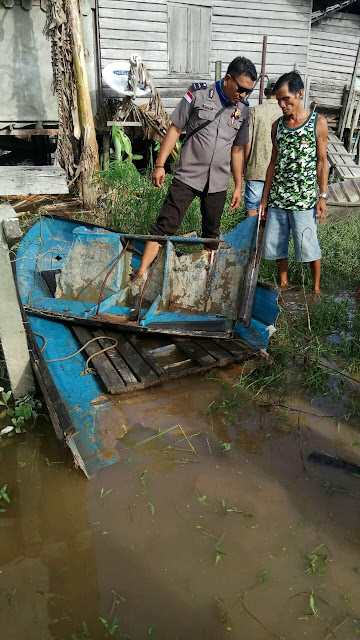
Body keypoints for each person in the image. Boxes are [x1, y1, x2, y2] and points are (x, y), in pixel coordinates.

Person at [132, 56, 257, 281]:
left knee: (212, 236)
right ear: (228, 79)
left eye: (249, 91)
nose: (243, 95)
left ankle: (206, 283)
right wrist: (160, 165)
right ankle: (140, 273)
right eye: (241, 89)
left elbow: (237, 151)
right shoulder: (198, 94)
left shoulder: (243, 111)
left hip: (218, 182)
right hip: (188, 176)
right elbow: (175, 128)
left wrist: (239, 185)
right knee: (164, 226)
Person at [259, 71, 328, 294]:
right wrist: (265, 199)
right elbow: (272, 163)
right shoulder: (277, 126)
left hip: (304, 200)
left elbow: (322, 162)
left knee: (308, 245)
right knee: (278, 245)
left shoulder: (317, 123)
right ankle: (284, 283)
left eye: (285, 99)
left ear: (299, 94)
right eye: (278, 99)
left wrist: (323, 196)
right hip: (279, 198)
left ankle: (316, 288)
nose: (281, 104)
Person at [243, 78, 282, 217]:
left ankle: (253, 238)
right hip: (278, 171)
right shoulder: (284, 113)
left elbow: (247, 141)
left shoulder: (254, 111)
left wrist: (246, 164)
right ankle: (266, 238)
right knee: (273, 211)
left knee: (252, 207)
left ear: (265, 91)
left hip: (257, 168)